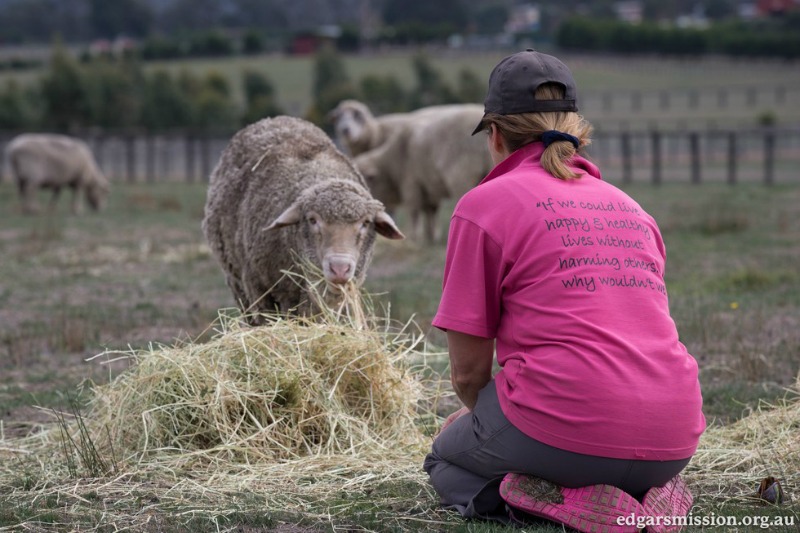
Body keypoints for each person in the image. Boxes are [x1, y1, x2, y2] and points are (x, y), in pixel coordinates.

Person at [423, 50, 706, 533]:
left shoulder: (482, 206)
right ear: (577, 129)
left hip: (561, 432)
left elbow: (469, 373)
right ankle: (643, 499)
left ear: (494, 135)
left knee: (444, 460)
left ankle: (552, 504)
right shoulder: (632, 208)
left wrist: (482, 425)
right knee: (584, 447)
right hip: (674, 441)